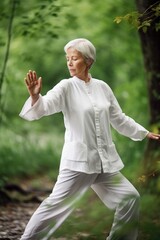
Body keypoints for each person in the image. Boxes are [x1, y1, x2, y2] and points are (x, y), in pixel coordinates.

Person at [19, 38, 160, 240]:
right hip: (77, 162)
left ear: (88, 61)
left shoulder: (102, 87)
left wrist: (144, 132)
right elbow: (45, 106)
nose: (69, 62)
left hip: (103, 163)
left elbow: (119, 118)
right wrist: (34, 97)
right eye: (67, 58)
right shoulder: (66, 87)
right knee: (53, 207)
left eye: (74, 58)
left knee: (129, 199)